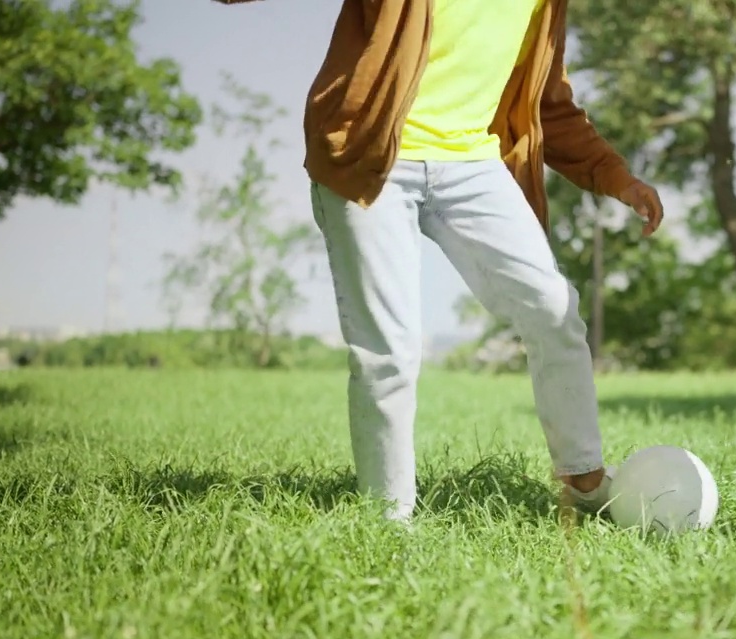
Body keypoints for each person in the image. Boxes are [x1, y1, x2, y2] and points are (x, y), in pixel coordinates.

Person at [216, 0, 664, 523]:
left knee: (551, 306)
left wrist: (615, 177)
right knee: (390, 350)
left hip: (473, 164)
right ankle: (387, 520)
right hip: (373, 156)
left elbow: (548, 101)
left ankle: (583, 478)